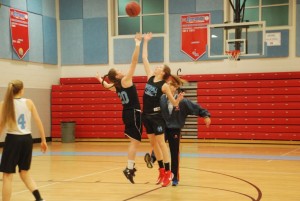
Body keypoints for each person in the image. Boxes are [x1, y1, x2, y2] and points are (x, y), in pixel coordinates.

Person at [144, 77, 211, 186]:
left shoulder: (182, 101)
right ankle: (153, 161)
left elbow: (196, 107)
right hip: (163, 127)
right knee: (159, 145)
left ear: (175, 88)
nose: (167, 86)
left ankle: (174, 177)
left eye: (170, 85)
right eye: (167, 84)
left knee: (174, 154)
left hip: (175, 129)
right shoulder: (161, 99)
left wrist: (206, 115)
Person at [96, 32, 142, 184]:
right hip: (134, 113)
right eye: (119, 71)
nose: (122, 71)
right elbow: (134, 61)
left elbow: (105, 86)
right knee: (134, 143)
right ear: (117, 76)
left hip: (127, 113)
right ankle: (129, 168)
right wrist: (137, 43)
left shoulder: (115, 86)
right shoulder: (125, 81)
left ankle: (131, 166)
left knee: (134, 142)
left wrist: (99, 79)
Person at [142, 32, 184, 187]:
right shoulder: (149, 78)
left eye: (159, 67)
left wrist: (177, 100)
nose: (156, 67)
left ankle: (168, 172)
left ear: (163, 72)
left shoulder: (165, 85)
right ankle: (160, 170)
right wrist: (145, 42)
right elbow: (145, 58)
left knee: (161, 144)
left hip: (157, 117)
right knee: (153, 144)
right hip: (146, 116)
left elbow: (172, 101)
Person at [0, 80, 48, 201]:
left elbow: (1, 125)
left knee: (7, 175)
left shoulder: (4, 104)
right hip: (27, 139)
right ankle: (39, 198)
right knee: (24, 172)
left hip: (13, 139)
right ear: (21, 90)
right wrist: (43, 140)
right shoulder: (29, 102)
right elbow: (38, 121)